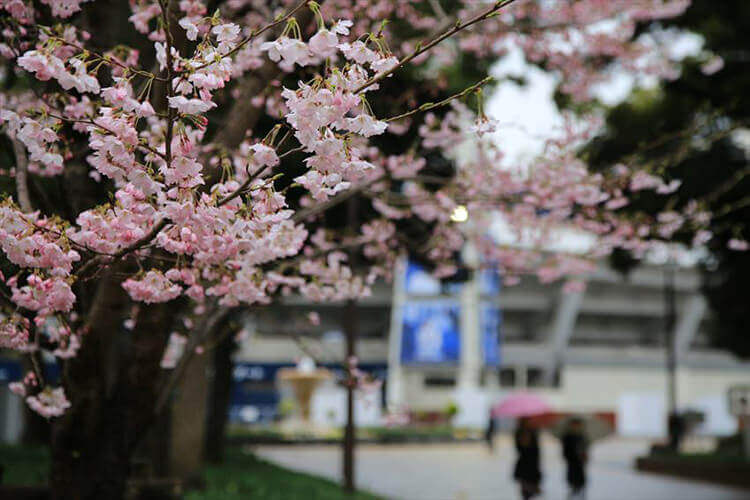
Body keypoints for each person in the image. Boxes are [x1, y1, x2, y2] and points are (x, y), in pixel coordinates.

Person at [513, 417, 542, 499]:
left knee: (533, 490)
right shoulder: (520, 432)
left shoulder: (532, 431)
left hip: (533, 464)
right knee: (526, 490)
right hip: (525, 465)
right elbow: (522, 446)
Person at [561, 417, 589, 500]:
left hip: (580, 465)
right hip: (572, 464)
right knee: (573, 485)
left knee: (581, 485)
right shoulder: (567, 437)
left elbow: (585, 449)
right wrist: (574, 455)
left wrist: (584, 456)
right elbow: (565, 452)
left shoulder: (582, 436)